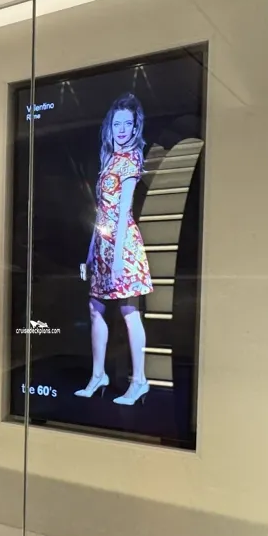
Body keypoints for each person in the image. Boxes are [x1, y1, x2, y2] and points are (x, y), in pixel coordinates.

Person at [76, 93, 154, 406]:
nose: (121, 129)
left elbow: (123, 212)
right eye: (117, 123)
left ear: (135, 127)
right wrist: (90, 252)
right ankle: (98, 375)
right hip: (104, 244)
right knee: (95, 307)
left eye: (127, 124)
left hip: (124, 244)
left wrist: (119, 256)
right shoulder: (108, 160)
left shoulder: (131, 159)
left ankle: (140, 381)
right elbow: (101, 214)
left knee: (128, 311)